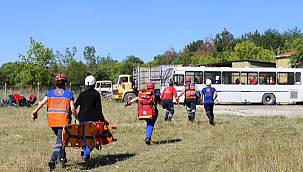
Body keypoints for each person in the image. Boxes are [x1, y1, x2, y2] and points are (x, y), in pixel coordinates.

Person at [31, 73, 77, 171]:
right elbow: (73, 109)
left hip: (52, 122)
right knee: (60, 141)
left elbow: (42, 103)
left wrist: (35, 111)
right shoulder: (69, 94)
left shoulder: (50, 93)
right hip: (63, 121)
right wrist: (77, 118)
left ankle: (62, 159)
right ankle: (53, 159)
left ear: (55, 83)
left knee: (62, 139)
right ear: (65, 83)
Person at [74, 75, 107, 163]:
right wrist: (103, 120)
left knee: (85, 137)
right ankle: (85, 155)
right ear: (94, 83)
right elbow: (98, 109)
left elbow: (74, 106)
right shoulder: (96, 94)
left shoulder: (82, 94)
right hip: (92, 121)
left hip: (81, 120)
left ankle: (84, 148)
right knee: (93, 139)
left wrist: (75, 117)